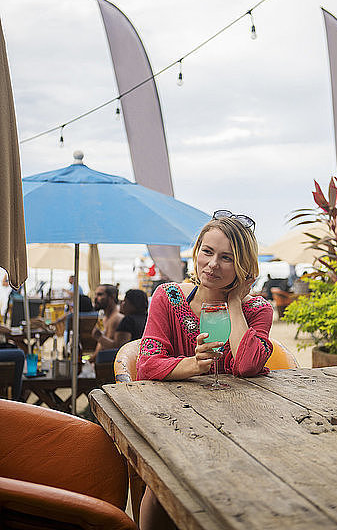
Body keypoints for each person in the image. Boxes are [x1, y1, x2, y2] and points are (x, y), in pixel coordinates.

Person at [137, 210, 273, 530]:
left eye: (227, 258)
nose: (212, 265)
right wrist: (193, 365)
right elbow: (147, 363)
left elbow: (249, 364)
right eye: (207, 252)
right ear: (196, 251)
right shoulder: (168, 297)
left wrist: (235, 303)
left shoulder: (257, 310)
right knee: (164, 480)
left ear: (243, 268)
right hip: (178, 421)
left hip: (243, 425)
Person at [89, 284, 124, 363]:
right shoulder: (103, 317)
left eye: (100, 295)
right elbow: (101, 344)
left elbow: (115, 348)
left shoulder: (117, 318)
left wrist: (99, 337)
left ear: (112, 297)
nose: (95, 298)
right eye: (95, 294)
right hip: (99, 363)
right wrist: (91, 360)